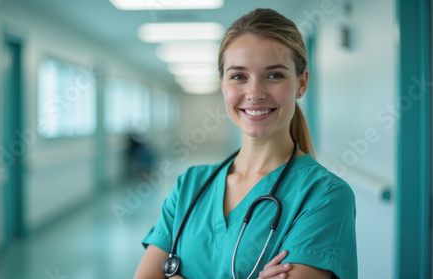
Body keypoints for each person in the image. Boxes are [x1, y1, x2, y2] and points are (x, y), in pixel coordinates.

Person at [134, 8, 357, 279]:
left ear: (301, 83)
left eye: (274, 75)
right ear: (223, 85)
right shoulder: (189, 186)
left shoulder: (324, 196)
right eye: (239, 76)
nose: (254, 93)